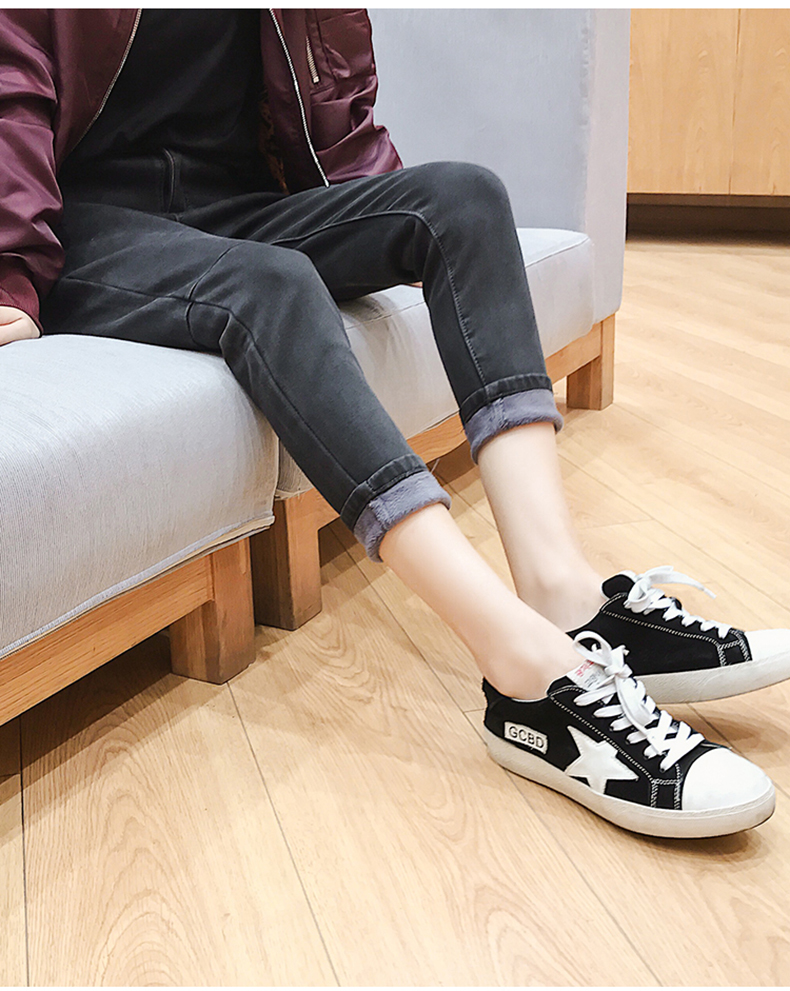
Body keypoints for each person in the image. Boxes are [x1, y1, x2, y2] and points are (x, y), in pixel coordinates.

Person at [1, 9, 788, 839]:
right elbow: (11, 82)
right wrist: (12, 266)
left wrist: (383, 218)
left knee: (464, 201)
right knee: (274, 284)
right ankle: (523, 672)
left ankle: (566, 595)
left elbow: (335, 90)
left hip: (238, 204)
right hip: (92, 226)